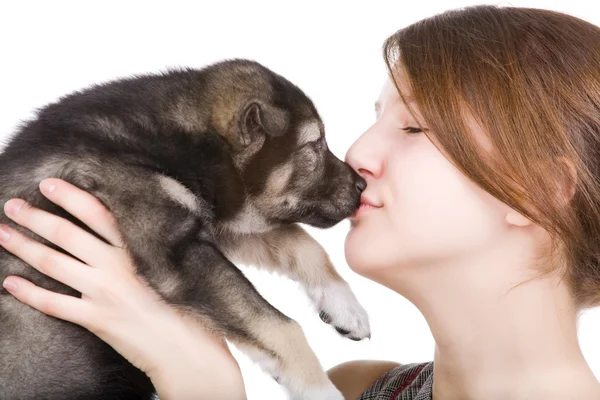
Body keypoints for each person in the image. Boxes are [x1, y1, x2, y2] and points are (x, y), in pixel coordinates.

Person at [2, 4, 600, 399]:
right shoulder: (360, 387)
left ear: (537, 191)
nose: (360, 152)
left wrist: (205, 390)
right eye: (374, 120)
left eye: (415, 128)